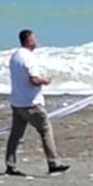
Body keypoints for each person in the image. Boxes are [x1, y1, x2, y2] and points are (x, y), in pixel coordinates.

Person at [5, 29, 70, 176]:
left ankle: (10, 165)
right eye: (34, 38)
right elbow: (33, 80)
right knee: (46, 129)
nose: (36, 41)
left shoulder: (15, 56)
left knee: (15, 135)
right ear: (28, 40)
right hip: (31, 103)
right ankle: (53, 163)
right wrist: (45, 80)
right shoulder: (28, 57)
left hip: (17, 101)